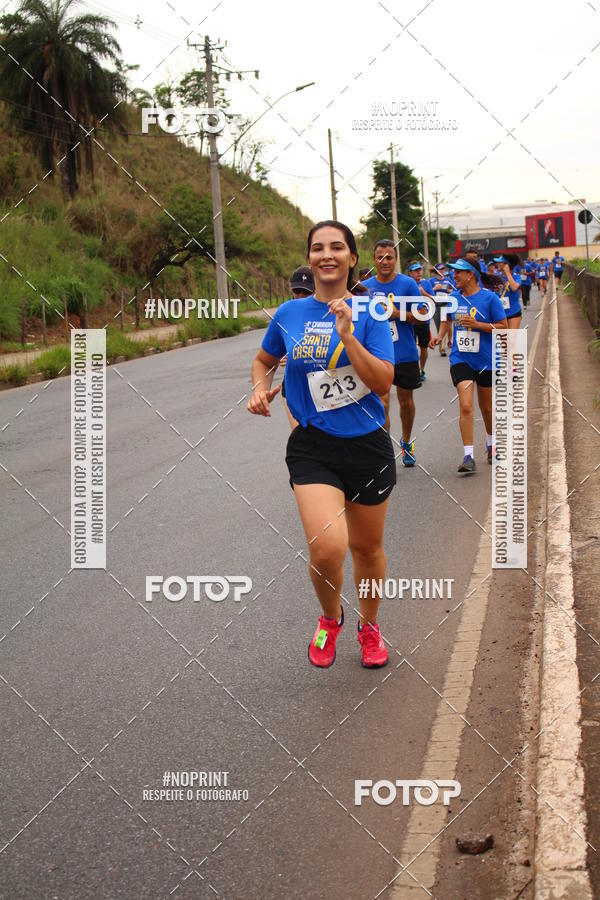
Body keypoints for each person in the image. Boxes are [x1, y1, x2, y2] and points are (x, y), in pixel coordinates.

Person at [248, 220, 396, 669]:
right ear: (309, 258)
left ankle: (369, 627)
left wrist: (348, 334)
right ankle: (330, 617)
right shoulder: (289, 314)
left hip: (367, 445)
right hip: (313, 446)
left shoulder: (373, 314)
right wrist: (259, 388)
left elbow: (383, 383)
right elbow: (263, 360)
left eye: (337, 247)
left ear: (352, 259)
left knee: (366, 549)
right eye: (317, 248)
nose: (326, 254)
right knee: (327, 547)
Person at [433, 259, 507, 473]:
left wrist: (478, 325)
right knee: (466, 405)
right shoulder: (453, 298)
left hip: (486, 359)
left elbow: (503, 327)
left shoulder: (489, 298)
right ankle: (468, 455)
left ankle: (492, 444)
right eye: (453, 272)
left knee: (487, 407)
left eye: (458, 272)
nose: (453, 276)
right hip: (461, 358)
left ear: (471, 275)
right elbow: (447, 321)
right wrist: (439, 336)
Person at [362, 240, 425, 465]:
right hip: (378, 355)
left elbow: (421, 315)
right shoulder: (366, 287)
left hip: (404, 352)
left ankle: (406, 441)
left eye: (389, 257)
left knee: (405, 402)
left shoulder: (407, 284)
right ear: (374, 260)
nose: (384, 261)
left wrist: (396, 313)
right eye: (380, 257)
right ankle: (385, 448)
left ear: (395, 259)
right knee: (383, 402)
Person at [280, 266, 315, 429]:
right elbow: (268, 356)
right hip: (293, 384)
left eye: (306, 292)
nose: (300, 296)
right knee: (298, 437)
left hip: (321, 385)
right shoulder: (286, 313)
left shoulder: (330, 311)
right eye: (297, 291)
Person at [407, 260, 433, 381]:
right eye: (415, 270)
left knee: (424, 347)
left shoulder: (426, 283)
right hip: (410, 321)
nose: (419, 272)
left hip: (423, 321)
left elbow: (433, 300)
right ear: (410, 273)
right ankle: (413, 370)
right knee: (411, 346)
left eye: (420, 270)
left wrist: (424, 293)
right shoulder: (406, 284)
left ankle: (421, 369)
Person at [424, 263, 455, 356]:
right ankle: (442, 342)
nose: (442, 271)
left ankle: (443, 347)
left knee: (446, 324)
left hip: (446, 304)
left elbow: (453, 290)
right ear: (436, 270)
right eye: (440, 269)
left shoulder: (448, 280)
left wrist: (449, 291)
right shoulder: (431, 281)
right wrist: (434, 288)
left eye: (443, 269)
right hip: (436, 305)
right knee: (439, 326)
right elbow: (427, 293)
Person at [493, 254, 522, 329]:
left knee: (512, 339)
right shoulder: (496, 276)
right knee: (502, 340)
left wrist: (508, 273)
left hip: (514, 312)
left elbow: (514, 287)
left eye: (500, 262)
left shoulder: (516, 276)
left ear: (507, 265)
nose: (497, 264)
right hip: (499, 313)